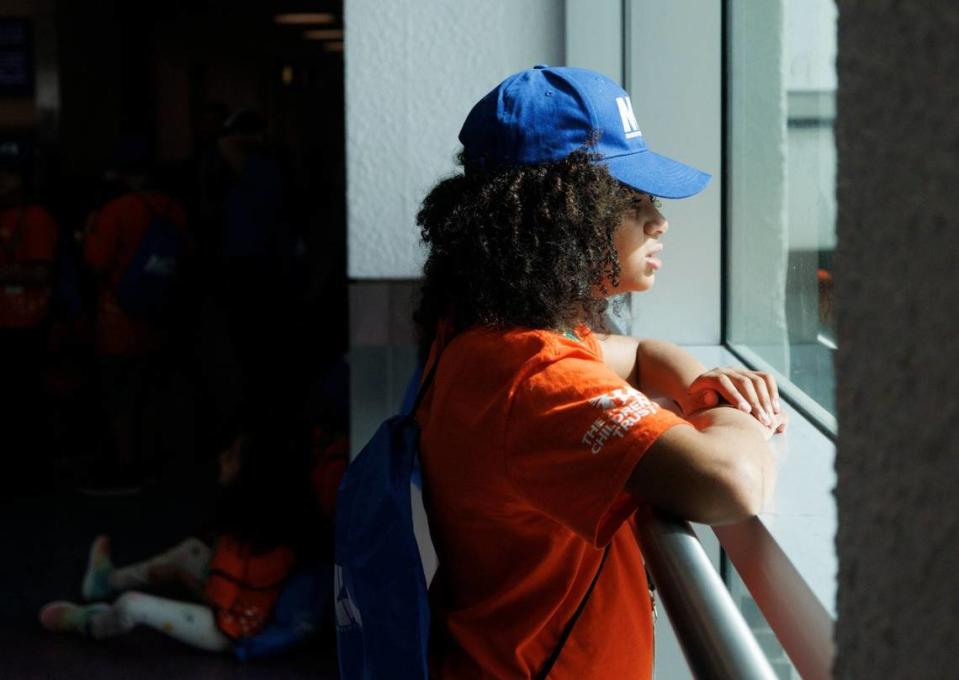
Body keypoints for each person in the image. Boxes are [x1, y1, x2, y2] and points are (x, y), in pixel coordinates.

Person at [413, 65, 788, 679]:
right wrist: (730, 409)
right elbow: (733, 483)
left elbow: (641, 353)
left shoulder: (485, 335)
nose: (658, 220)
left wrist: (698, 384)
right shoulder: (532, 378)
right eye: (630, 200)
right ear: (553, 218)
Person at [38, 420, 316, 652]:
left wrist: (178, 576)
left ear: (249, 480)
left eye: (231, 456)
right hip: (248, 605)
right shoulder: (270, 528)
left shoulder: (236, 545)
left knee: (131, 606)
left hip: (230, 630)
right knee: (191, 550)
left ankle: (90, 623)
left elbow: (218, 605)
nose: (221, 458)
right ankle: (106, 581)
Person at [81, 140, 190, 492]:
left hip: (118, 322)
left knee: (120, 399)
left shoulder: (117, 210)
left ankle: (126, 470)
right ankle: (154, 464)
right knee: (153, 395)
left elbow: (96, 262)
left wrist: (89, 232)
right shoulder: (174, 208)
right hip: (161, 318)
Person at [0, 144, 58, 490]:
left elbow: (41, 272)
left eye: (8, 173)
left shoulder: (36, 217)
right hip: (6, 323)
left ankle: (30, 475)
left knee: (23, 400)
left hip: (25, 324)